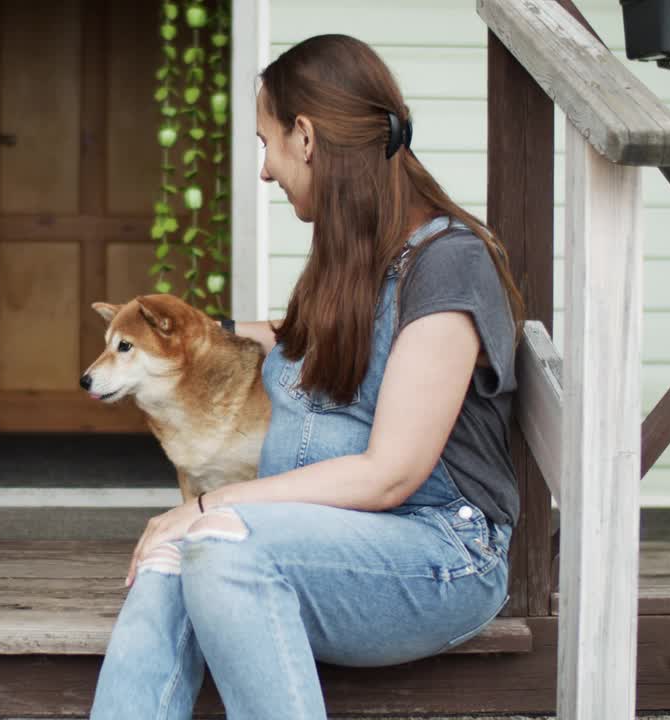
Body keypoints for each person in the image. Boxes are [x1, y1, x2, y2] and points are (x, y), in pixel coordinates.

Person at [90, 34, 526, 720]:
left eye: (265, 143)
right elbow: (291, 339)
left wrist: (205, 505)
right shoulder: (349, 257)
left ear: (306, 136)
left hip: (438, 551)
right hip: (324, 538)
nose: (264, 170)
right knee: (167, 558)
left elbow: (392, 473)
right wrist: (198, 339)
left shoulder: (448, 266)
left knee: (218, 544)